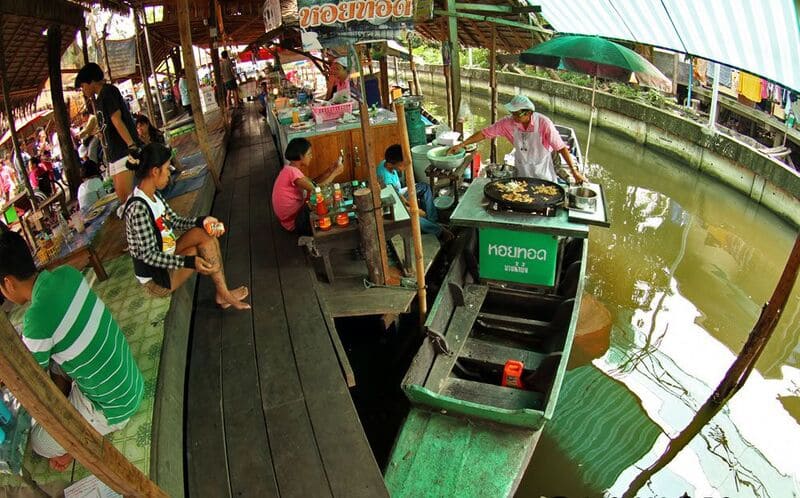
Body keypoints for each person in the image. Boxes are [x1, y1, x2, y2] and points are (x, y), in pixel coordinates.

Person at [0, 229, 144, 471]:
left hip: (115, 407)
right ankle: (77, 410)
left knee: (39, 444)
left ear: (8, 283)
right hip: (130, 381)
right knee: (57, 361)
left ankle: (79, 442)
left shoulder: (36, 319)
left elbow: (25, 378)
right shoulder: (66, 274)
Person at [123, 143, 250, 309]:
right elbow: (149, 256)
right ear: (155, 171)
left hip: (167, 255)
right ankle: (224, 294)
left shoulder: (153, 194)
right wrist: (190, 262)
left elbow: (174, 220)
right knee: (194, 252)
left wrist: (203, 221)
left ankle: (223, 293)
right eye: (167, 168)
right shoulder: (137, 208)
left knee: (204, 233)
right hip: (156, 279)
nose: (169, 173)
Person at [448, 95, 586, 184]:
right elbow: (484, 133)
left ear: (529, 113)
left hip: (543, 171)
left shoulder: (544, 123)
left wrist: (574, 172)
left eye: (517, 113)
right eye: (512, 113)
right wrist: (462, 144)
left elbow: (561, 147)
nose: (514, 116)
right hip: (522, 169)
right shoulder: (508, 123)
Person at [75, 63, 142, 214]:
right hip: (114, 153)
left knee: (128, 199)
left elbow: (116, 119)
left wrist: (131, 145)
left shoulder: (108, 92)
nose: (83, 90)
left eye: (83, 86)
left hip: (123, 150)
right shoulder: (99, 99)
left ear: (91, 81)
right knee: (123, 197)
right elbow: (109, 124)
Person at [271, 138, 344, 235]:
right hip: (295, 222)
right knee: (324, 199)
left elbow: (312, 183)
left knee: (322, 199)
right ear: (301, 156)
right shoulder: (292, 172)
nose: (311, 157)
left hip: (291, 218)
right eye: (309, 154)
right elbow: (317, 190)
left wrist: (329, 171)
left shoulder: (290, 169)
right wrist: (335, 173)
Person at [377, 144, 445, 238]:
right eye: (402, 165)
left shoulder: (386, 162)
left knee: (424, 187)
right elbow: (397, 202)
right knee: (411, 215)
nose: (404, 167)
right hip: (393, 203)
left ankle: (432, 220)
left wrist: (409, 203)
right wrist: (415, 210)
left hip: (398, 194)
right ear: (390, 164)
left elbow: (398, 193)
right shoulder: (386, 180)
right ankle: (438, 231)